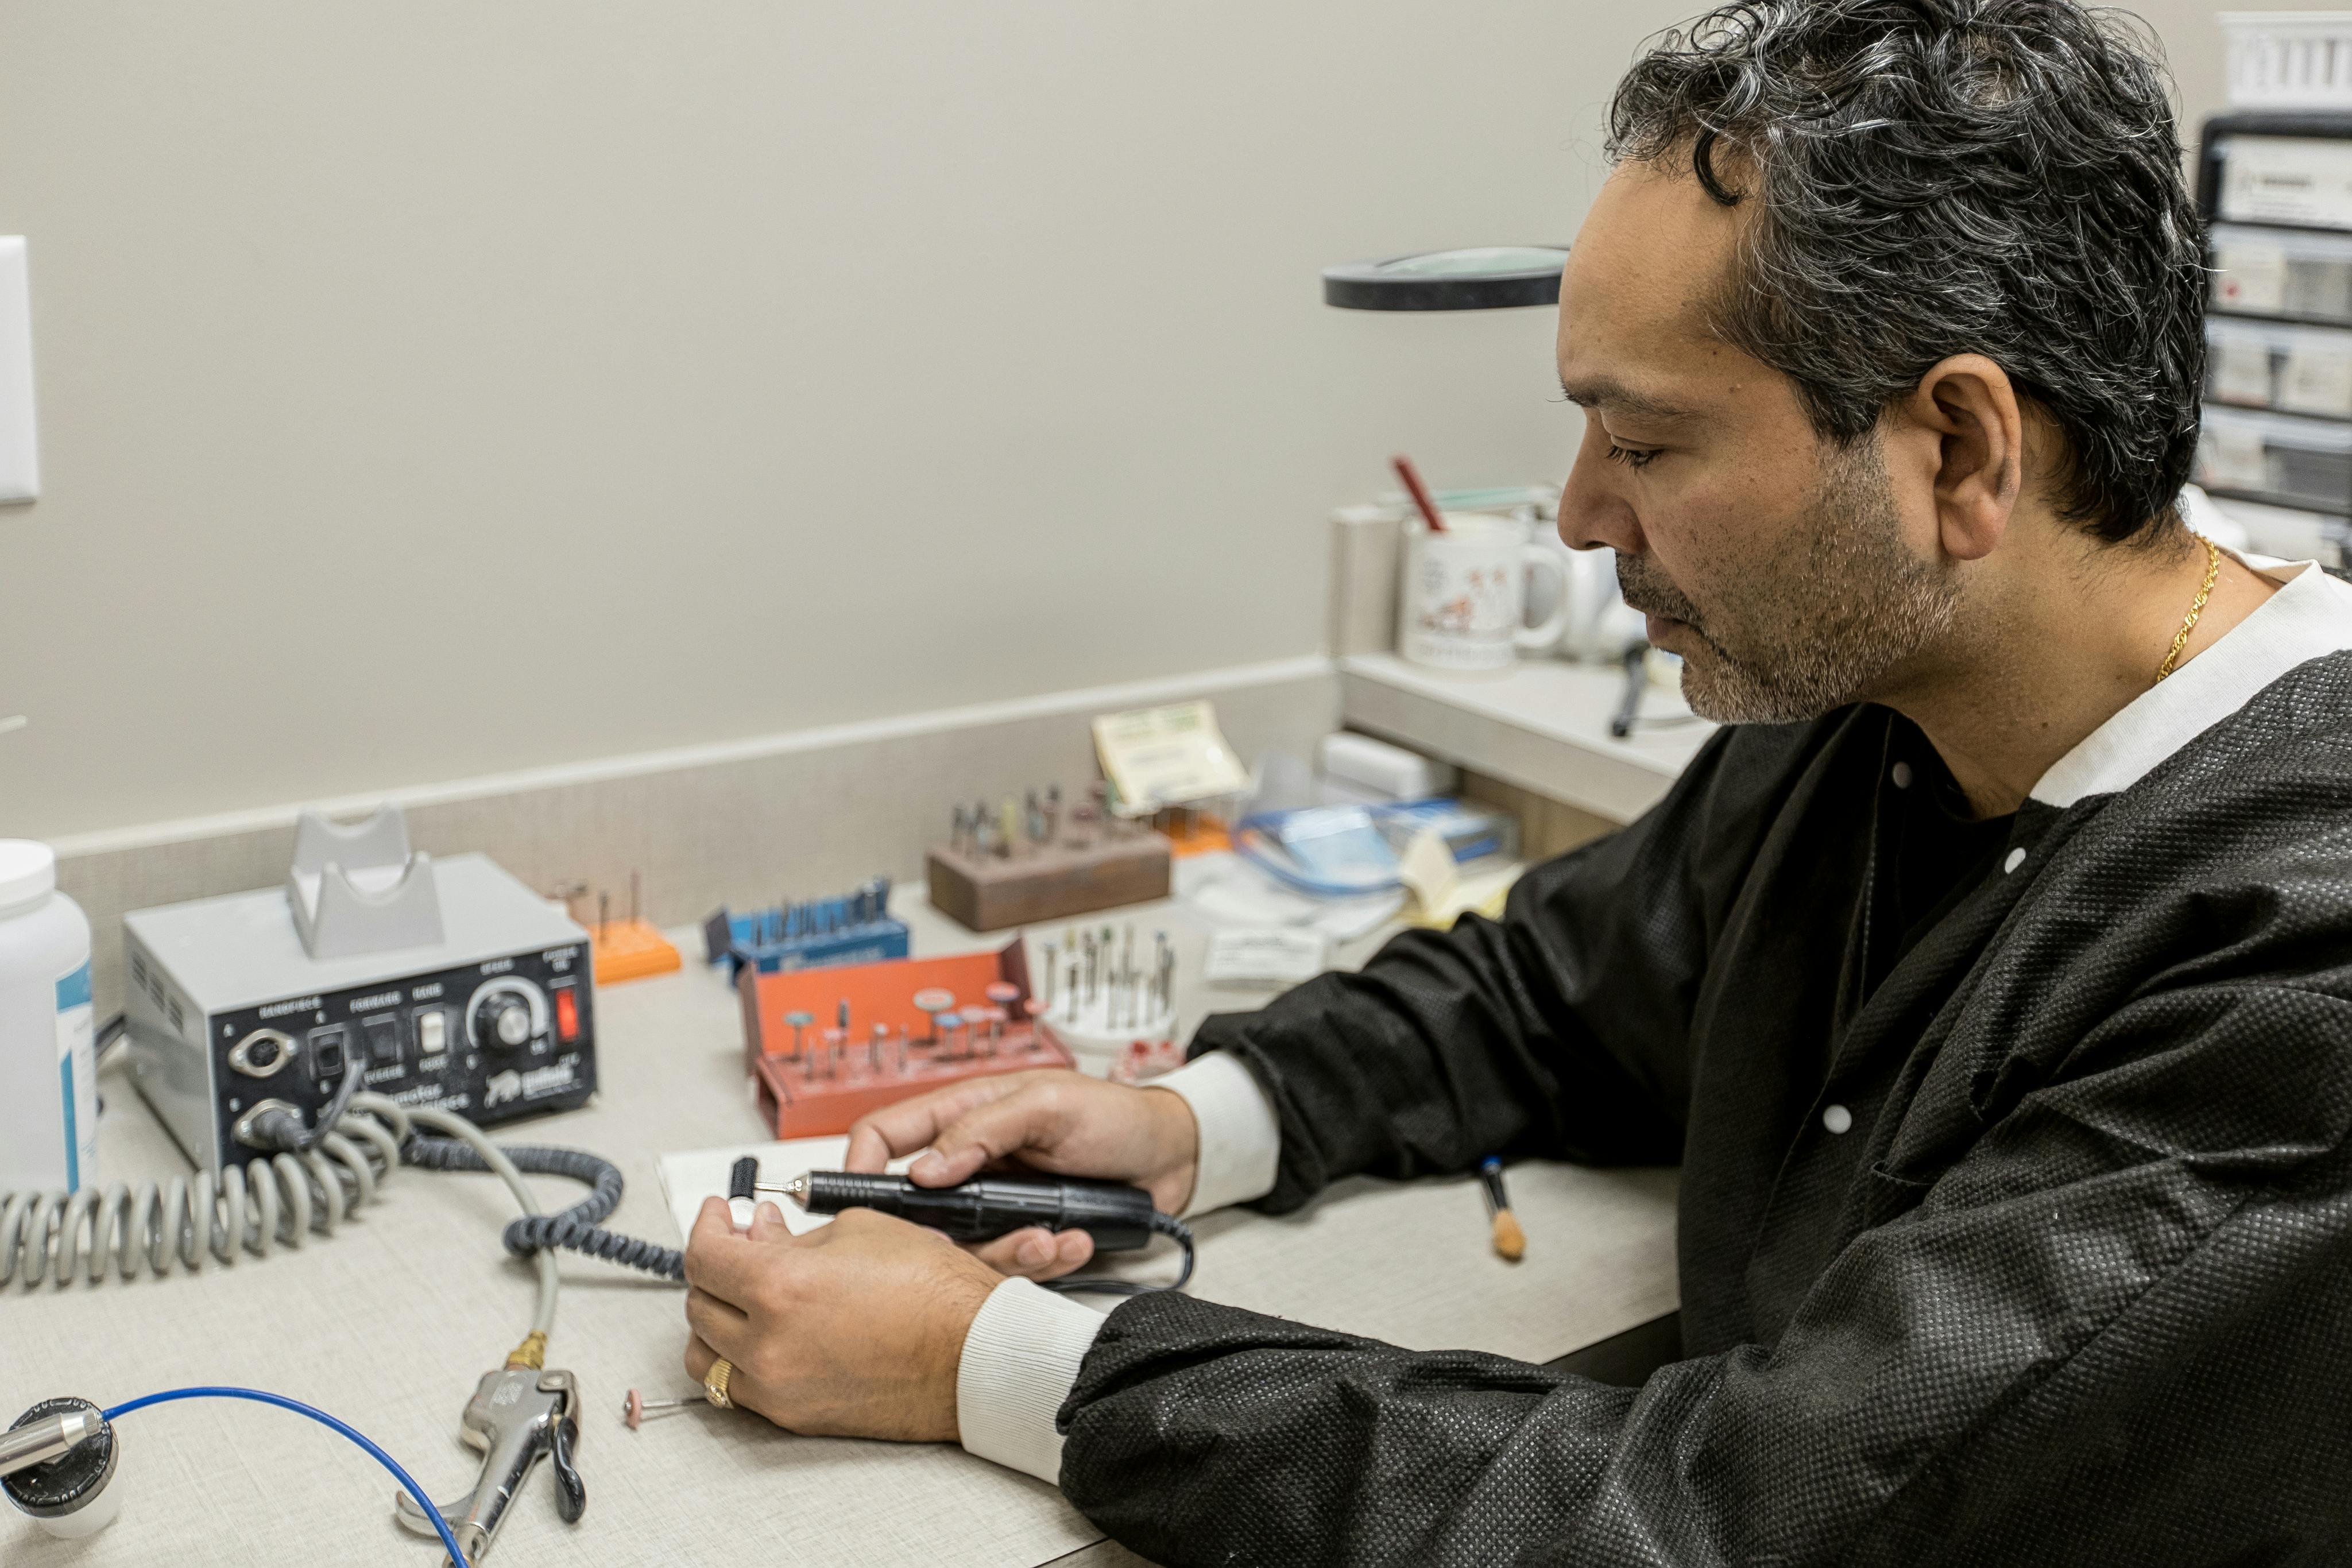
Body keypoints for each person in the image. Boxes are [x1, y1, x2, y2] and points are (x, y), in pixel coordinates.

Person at [678, 0, 2352, 1558]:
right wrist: (1196, 1121)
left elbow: (1729, 1516)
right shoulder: (1896, 692)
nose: (1576, 515)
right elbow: (1561, 986)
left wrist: (998, 1356)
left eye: (1644, 443)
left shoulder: (2292, 948)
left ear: (1962, 451)